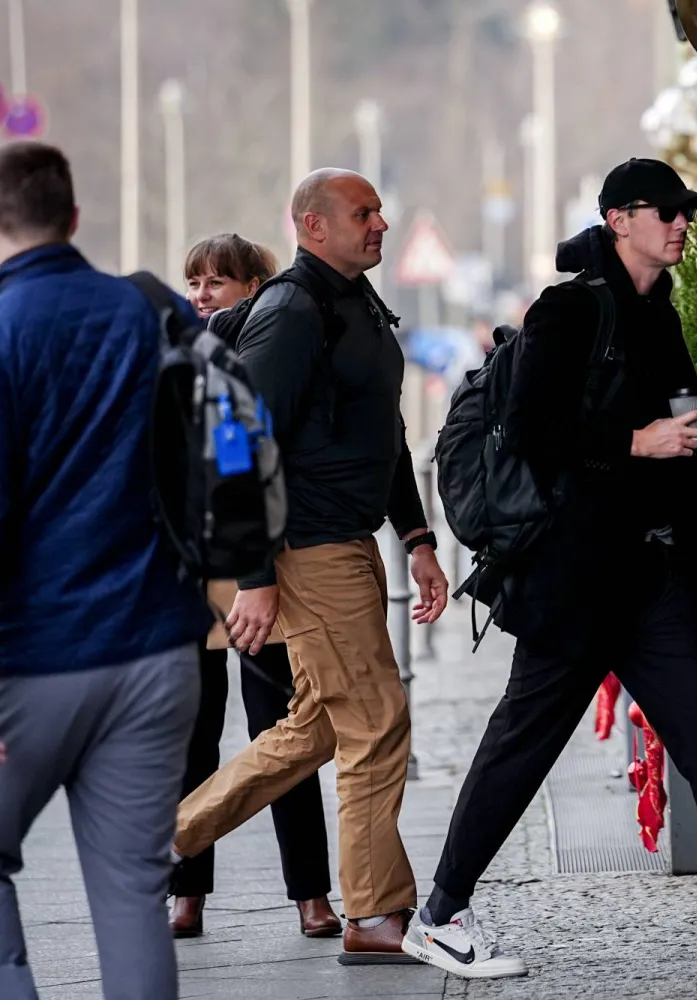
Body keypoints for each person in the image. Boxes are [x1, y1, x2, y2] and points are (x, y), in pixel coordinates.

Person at [402, 158, 697, 980]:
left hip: (650, 578)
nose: (681, 223)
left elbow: (678, 410)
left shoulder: (661, 313)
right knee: (521, 746)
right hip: (574, 581)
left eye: (688, 212)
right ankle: (439, 914)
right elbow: (533, 430)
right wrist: (636, 442)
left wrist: (683, 426)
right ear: (619, 220)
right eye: (666, 211)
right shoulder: (569, 311)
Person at [172, 169, 449, 964]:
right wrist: (252, 570)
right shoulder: (291, 310)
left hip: (347, 540)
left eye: (381, 212)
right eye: (364, 214)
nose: (381, 225)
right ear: (312, 225)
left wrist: (419, 538)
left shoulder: (355, 304)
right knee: (376, 722)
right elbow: (236, 437)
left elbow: (384, 434)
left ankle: (161, 840)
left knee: (321, 725)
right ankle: (372, 913)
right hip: (307, 548)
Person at [0, 141, 209, 1000]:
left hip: (32, 659)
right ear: (76, 218)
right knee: (131, 892)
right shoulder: (154, 313)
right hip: (160, 649)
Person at [166, 234, 341, 940]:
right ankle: (187, 892)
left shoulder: (269, 367)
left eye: (219, 282)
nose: (203, 293)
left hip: (256, 574)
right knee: (192, 738)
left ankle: (310, 893)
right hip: (187, 574)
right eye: (196, 281)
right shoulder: (177, 365)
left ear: (256, 290)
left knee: (281, 733)